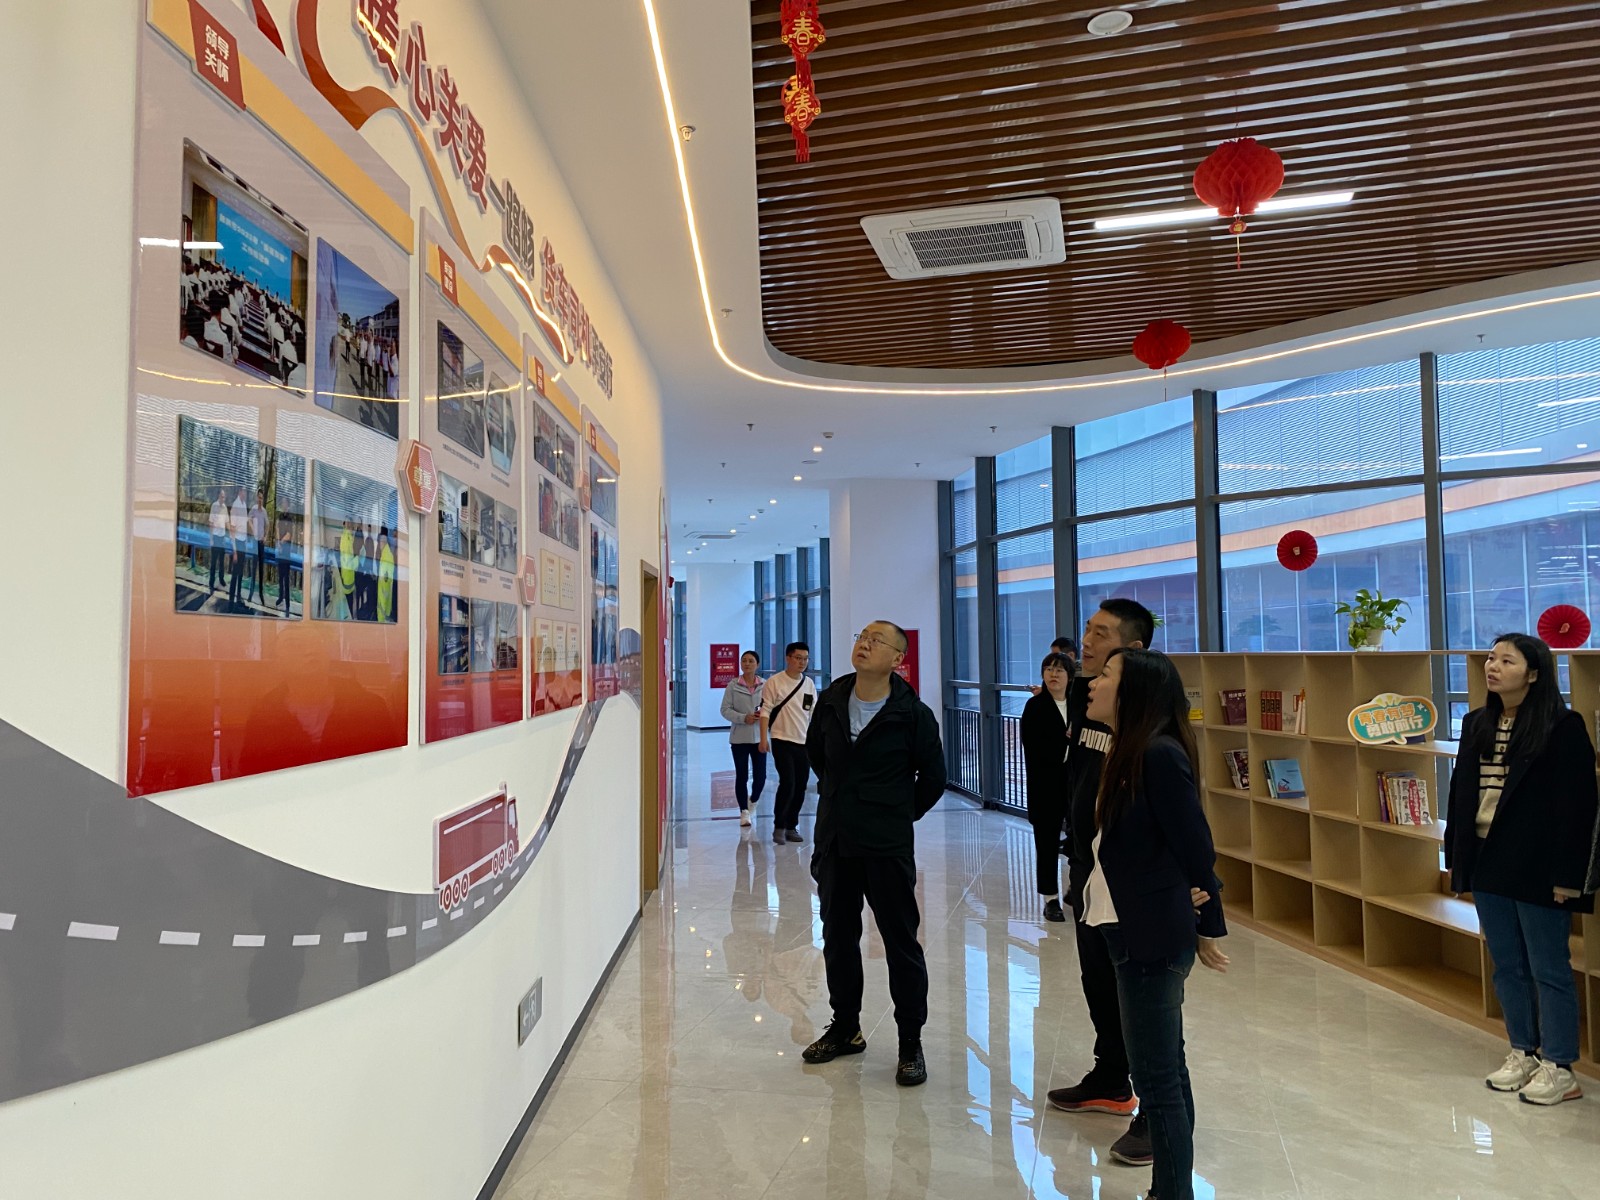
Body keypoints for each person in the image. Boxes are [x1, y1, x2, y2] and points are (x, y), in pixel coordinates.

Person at [1081, 647, 1228, 1200]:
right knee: (1166, 1069)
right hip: (1130, 925)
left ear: (1134, 691)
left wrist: (1208, 923)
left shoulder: (1157, 754)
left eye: (1105, 675)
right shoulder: (1125, 749)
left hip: (1148, 932)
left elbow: (1195, 844)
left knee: (1157, 1080)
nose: (1092, 683)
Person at [1445, 633, 1600, 1105]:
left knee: (1548, 967)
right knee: (1507, 966)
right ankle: (1524, 1051)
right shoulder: (1476, 722)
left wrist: (1568, 877)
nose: (1493, 667)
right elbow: (1461, 795)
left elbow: (1578, 808)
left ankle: (1560, 1065)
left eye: (1507, 661)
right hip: (1488, 860)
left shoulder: (1562, 726)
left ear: (1533, 673)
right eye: (1491, 658)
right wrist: (1459, 861)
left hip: (1538, 865)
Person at [802, 621, 947, 1087]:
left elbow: (934, 777)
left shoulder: (912, 713)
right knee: (838, 937)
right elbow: (817, 756)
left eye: (876, 640)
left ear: (897, 659)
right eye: (861, 636)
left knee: (900, 943)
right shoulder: (831, 700)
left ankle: (910, 1042)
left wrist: (896, 814)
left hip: (886, 846)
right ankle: (846, 1027)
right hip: (836, 841)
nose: (864, 644)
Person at [1048, 598, 1153, 1169]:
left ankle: (1157, 1112)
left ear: (1132, 650)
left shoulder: (1148, 714)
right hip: (1089, 865)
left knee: (1140, 992)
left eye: (1101, 634)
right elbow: (1079, 779)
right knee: (1097, 977)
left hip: (1131, 877)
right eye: (1087, 630)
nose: (1086, 642)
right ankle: (1112, 1078)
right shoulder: (1088, 699)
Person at [1021, 651, 1075, 922]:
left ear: (1069, 676)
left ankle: (1075, 888)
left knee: (1079, 840)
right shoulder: (1035, 706)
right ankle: (1050, 898)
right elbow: (1033, 747)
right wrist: (1066, 740)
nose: (1053, 674)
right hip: (1046, 785)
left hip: (1075, 783)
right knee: (1047, 843)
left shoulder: (1079, 704)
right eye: (1049, 669)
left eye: (1059, 670)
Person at [759, 642, 818, 845]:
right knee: (788, 782)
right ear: (788, 658)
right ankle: (779, 825)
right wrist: (763, 739)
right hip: (781, 739)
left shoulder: (808, 684)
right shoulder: (775, 682)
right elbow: (765, 711)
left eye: (805, 659)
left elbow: (812, 713)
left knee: (801, 785)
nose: (802, 662)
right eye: (798, 658)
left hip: (803, 742)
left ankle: (791, 825)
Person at [720, 651, 766, 827]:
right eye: (744, 661)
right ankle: (744, 811)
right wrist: (743, 718)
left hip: (759, 737)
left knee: (761, 777)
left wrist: (763, 715)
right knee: (742, 775)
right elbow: (725, 709)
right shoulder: (733, 685)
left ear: (757, 664)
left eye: (751, 661)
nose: (747, 664)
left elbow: (772, 707)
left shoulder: (765, 685)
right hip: (739, 738)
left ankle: (753, 801)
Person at [227, 487, 248, 612]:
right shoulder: (235, 506)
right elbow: (232, 531)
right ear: (240, 492)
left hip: (243, 542)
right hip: (237, 543)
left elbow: (244, 526)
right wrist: (234, 551)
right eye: (244, 491)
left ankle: (238, 598)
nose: (245, 493)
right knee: (235, 575)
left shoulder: (244, 504)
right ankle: (230, 603)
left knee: (240, 573)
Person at [247, 490, 268, 605]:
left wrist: (265, 536)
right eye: (259, 497)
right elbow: (248, 519)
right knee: (253, 568)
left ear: (263, 499)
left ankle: (261, 594)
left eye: (261, 498)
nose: (260, 500)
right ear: (257, 498)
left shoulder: (264, 511)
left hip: (261, 543)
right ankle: (250, 595)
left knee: (261, 570)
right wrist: (252, 528)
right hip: (254, 542)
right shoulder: (254, 509)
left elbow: (268, 525)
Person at [207, 487, 228, 594]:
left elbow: (227, 522)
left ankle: (221, 579)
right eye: (222, 496)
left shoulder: (225, 507)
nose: (223, 498)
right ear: (218, 496)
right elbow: (210, 523)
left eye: (224, 497)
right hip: (215, 537)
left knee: (221, 561)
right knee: (214, 562)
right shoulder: (214, 506)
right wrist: (211, 539)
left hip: (222, 537)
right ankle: (211, 582)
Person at [376, 526, 397, 624]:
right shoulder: (385, 553)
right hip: (383, 591)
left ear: (384, 542)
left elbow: (386, 577)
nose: (379, 544)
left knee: (383, 609)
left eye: (380, 542)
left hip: (383, 592)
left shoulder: (387, 555)